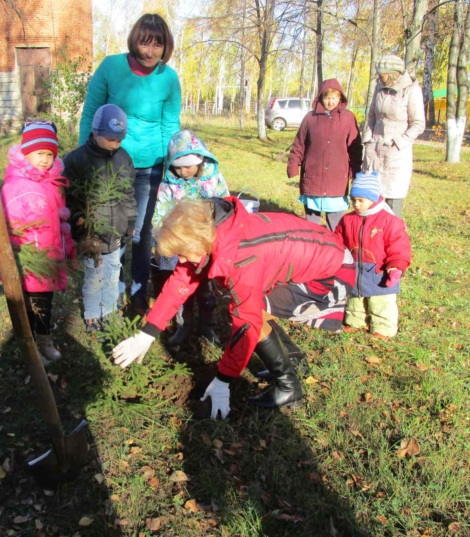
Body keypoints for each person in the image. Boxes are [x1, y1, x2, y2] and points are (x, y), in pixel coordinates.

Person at [112, 198, 356, 419]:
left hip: (331, 271)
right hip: (316, 252)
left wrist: (223, 379)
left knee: (254, 315)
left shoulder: (242, 257)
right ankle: (292, 360)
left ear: (200, 243)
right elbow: (181, 282)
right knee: (258, 308)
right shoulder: (216, 229)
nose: (182, 261)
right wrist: (147, 334)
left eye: (183, 254)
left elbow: (247, 323)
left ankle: (288, 387)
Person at [79, 13, 181, 314]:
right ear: (134, 40)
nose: (149, 52)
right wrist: (86, 156)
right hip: (110, 163)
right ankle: (111, 289)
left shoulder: (168, 78)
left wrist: (170, 167)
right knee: (112, 228)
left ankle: (138, 292)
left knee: (141, 231)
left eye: (157, 45)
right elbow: (90, 114)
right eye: (144, 43)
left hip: (151, 166)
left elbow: (170, 125)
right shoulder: (111, 67)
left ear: (166, 47)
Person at [0, 121, 74, 360]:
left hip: (49, 259)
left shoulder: (52, 183)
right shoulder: (14, 187)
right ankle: (30, 347)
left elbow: (62, 224)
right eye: (39, 153)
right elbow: (8, 228)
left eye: (50, 155)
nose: (45, 160)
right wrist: (14, 259)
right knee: (29, 307)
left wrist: (68, 252)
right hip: (28, 260)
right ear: (25, 152)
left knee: (45, 304)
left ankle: (44, 340)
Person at [151, 129, 229, 347]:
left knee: (205, 288)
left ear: (200, 160)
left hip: (205, 246)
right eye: (178, 166)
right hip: (180, 249)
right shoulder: (169, 185)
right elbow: (160, 213)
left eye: (188, 165)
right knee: (181, 287)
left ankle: (208, 326)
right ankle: (184, 325)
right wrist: (158, 241)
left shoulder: (213, 180)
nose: (183, 171)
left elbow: (224, 206)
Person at [64, 105, 136, 331]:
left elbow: (129, 194)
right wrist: (76, 218)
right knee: (94, 277)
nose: (116, 144)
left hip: (116, 235)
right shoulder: (76, 160)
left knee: (113, 276)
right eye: (111, 139)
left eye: (120, 140)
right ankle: (93, 314)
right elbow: (67, 196)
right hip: (91, 236)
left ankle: (110, 312)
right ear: (95, 132)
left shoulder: (123, 159)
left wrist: (130, 222)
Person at [335, 172, 412, 339]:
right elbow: (338, 241)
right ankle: (355, 320)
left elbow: (399, 246)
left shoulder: (389, 221)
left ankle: (383, 327)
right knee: (354, 298)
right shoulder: (347, 220)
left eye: (361, 200)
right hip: (355, 268)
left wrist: (396, 266)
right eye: (353, 199)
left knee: (381, 302)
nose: (356, 204)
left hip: (380, 271)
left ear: (374, 198)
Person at [286, 79, 362, 231]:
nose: (330, 101)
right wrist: (293, 165)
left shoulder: (347, 118)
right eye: (327, 98)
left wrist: (356, 172)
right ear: (320, 98)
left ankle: (335, 248)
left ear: (340, 98)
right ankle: (313, 248)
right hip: (313, 176)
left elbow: (355, 148)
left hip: (336, 178)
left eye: (334, 98)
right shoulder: (310, 118)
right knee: (311, 224)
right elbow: (299, 144)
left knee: (336, 225)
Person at [361, 54, 426, 219]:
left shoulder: (411, 90)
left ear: (392, 74)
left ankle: (391, 239)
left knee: (392, 198)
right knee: (370, 196)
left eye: (382, 76)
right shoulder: (378, 87)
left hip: (396, 153)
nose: (379, 79)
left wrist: (399, 142)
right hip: (374, 150)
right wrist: (368, 138)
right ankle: (370, 238)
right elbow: (371, 116)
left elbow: (418, 124)